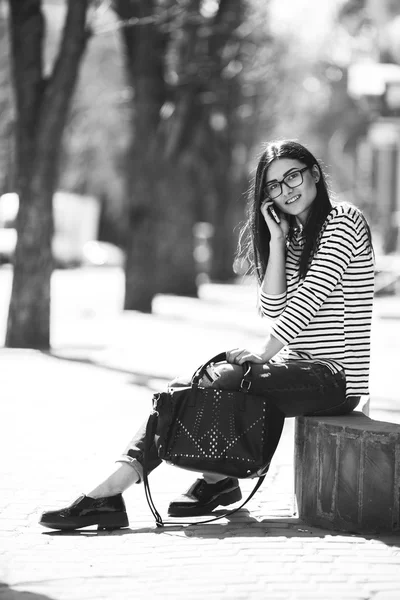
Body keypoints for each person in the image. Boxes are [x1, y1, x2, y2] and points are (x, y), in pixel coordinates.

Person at [39, 139, 375, 531]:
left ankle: (153, 488)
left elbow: (312, 297)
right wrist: (279, 242)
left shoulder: (344, 220)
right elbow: (273, 308)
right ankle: (169, 485)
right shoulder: (296, 235)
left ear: (314, 173)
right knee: (195, 384)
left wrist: (264, 353)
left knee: (226, 379)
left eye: (293, 176)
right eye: (274, 186)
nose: (286, 190)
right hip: (299, 368)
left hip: (335, 377)